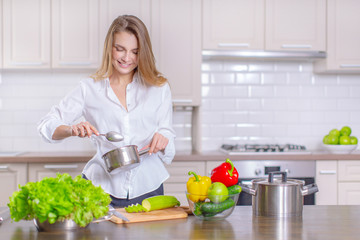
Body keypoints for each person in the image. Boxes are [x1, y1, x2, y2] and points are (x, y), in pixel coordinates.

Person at [37, 15, 176, 207]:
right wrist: (71, 129)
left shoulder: (159, 87)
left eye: (135, 51)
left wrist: (164, 139)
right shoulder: (89, 88)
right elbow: (46, 125)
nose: (127, 58)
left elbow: (168, 135)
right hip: (100, 187)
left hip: (149, 187)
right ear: (109, 48)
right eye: (120, 49)